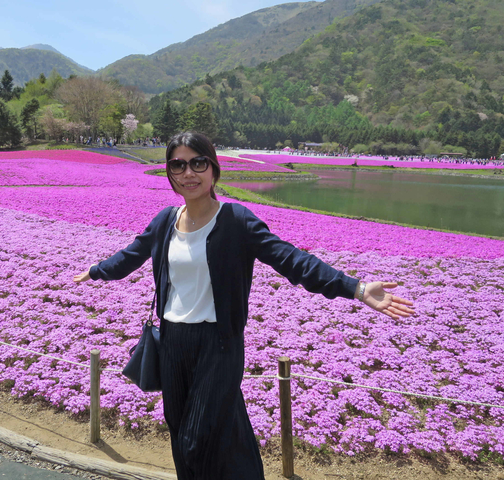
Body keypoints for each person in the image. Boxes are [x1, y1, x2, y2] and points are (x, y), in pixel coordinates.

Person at [74, 131, 414, 480]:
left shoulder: (237, 221)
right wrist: (97, 271)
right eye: (178, 165)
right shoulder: (165, 221)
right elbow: (132, 254)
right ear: (169, 172)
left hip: (218, 346)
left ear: (213, 169)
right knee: (181, 434)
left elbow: (292, 260)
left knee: (197, 440)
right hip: (173, 343)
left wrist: (355, 287)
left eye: (197, 163)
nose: (188, 173)